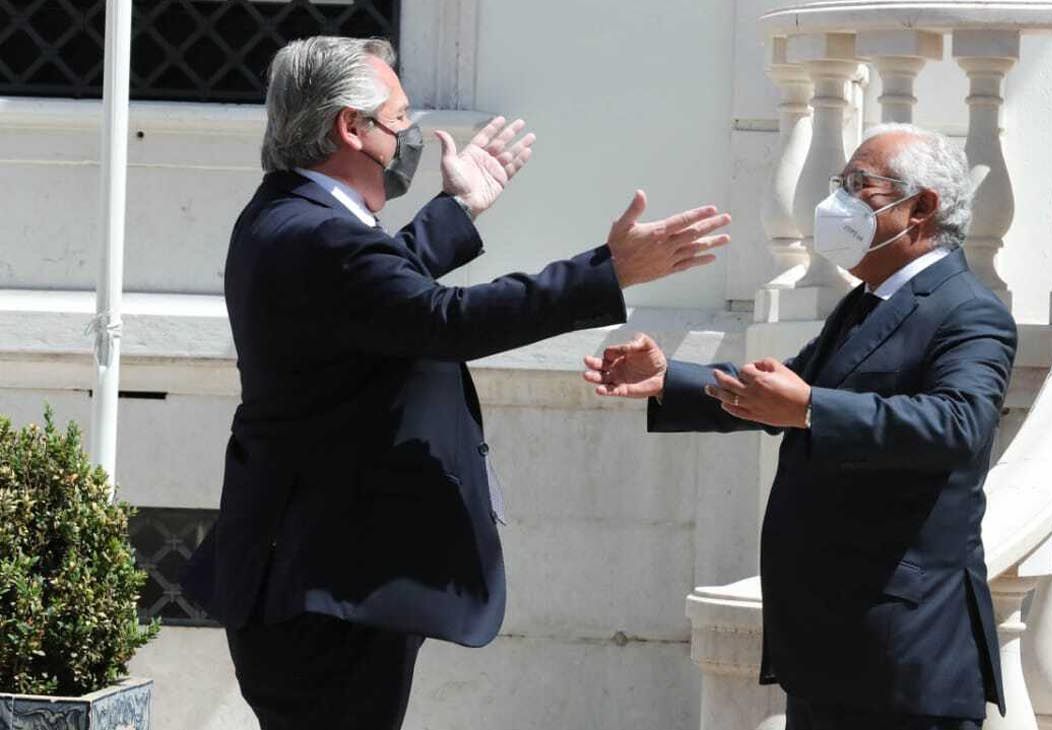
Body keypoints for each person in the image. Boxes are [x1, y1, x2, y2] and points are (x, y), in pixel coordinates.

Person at [181, 35, 730, 730]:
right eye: (400, 118)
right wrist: (608, 272)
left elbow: (381, 298)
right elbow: (442, 319)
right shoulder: (318, 236)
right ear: (350, 127)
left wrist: (457, 208)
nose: (410, 135)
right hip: (322, 591)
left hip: (319, 579)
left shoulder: (294, 218)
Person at [584, 123, 1016, 730]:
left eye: (859, 185)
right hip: (830, 646)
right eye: (840, 181)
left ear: (920, 208)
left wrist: (812, 408)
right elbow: (781, 387)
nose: (836, 201)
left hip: (905, 654)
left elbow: (959, 423)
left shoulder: (968, 310)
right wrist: (670, 379)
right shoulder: (869, 299)